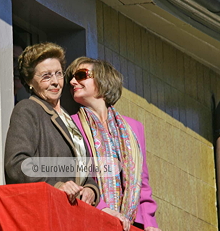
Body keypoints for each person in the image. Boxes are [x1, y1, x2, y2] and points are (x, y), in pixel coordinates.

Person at [66, 57, 161, 231]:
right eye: (71, 78)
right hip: (92, 219)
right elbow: (75, 176)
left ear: (103, 79)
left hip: (130, 225)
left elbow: (143, 185)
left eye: (80, 75)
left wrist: (149, 224)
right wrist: (103, 208)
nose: (72, 82)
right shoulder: (69, 125)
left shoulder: (134, 129)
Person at [4, 43, 100, 207]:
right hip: (45, 209)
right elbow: (17, 164)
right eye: (46, 76)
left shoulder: (67, 118)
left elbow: (83, 169)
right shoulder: (28, 109)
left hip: (72, 214)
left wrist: (91, 189)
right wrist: (57, 186)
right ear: (30, 82)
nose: (55, 82)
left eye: (58, 74)